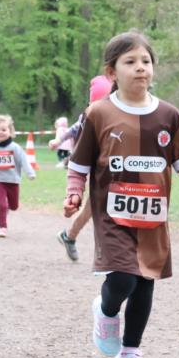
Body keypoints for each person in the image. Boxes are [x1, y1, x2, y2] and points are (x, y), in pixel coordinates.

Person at [65, 32, 179, 358]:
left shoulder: (168, 114)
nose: (140, 68)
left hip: (152, 213)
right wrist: (74, 192)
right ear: (112, 71)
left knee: (145, 282)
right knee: (122, 279)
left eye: (145, 61)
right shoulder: (99, 113)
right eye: (130, 62)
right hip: (111, 213)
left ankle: (131, 353)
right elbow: (79, 163)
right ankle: (105, 310)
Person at [54, 75, 112, 262]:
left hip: (115, 171)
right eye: (98, 103)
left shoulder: (120, 114)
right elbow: (72, 130)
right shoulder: (87, 117)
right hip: (95, 170)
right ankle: (109, 252)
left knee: (93, 211)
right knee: (94, 210)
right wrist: (58, 140)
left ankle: (69, 237)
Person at [0, 114, 36, 237]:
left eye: (4, 130)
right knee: (1, 205)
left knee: (14, 206)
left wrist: (30, 173)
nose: (0, 132)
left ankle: (7, 208)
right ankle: (2, 227)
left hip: (13, 181)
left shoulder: (15, 148)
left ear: (10, 131)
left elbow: (24, 161)